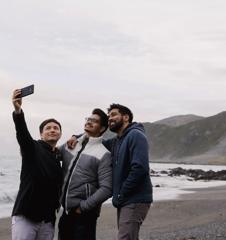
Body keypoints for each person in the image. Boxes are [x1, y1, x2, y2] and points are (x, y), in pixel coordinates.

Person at [68, 104, 153, 240]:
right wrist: (75, 137)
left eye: (113, 114)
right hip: (126, 199)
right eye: (108, 117)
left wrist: (121, 193)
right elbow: (95, 141)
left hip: (135, 198)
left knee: (125, 237)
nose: (110, 119)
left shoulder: (136, 135)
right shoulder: (116, 141)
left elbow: (140, 168)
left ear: (125, 117)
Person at [11, 89, 63, 240]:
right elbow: (22, 133)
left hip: (48, 220)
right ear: (41, 134)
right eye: (48, 128)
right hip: (26, 216)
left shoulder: (58, 156)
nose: (52, 130)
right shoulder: (32, 148)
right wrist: (18, 111)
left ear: (60, 134)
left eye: (56, 128)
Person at [58, 108, 112, 240]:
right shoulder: (71, 144)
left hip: (84, 216)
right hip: (66, 212)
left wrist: (83, 207)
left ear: (102, 128)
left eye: (94, 121)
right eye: (88, 119)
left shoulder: (104, 154)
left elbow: (107, 188)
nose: (89, 122)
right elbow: (51, 155)